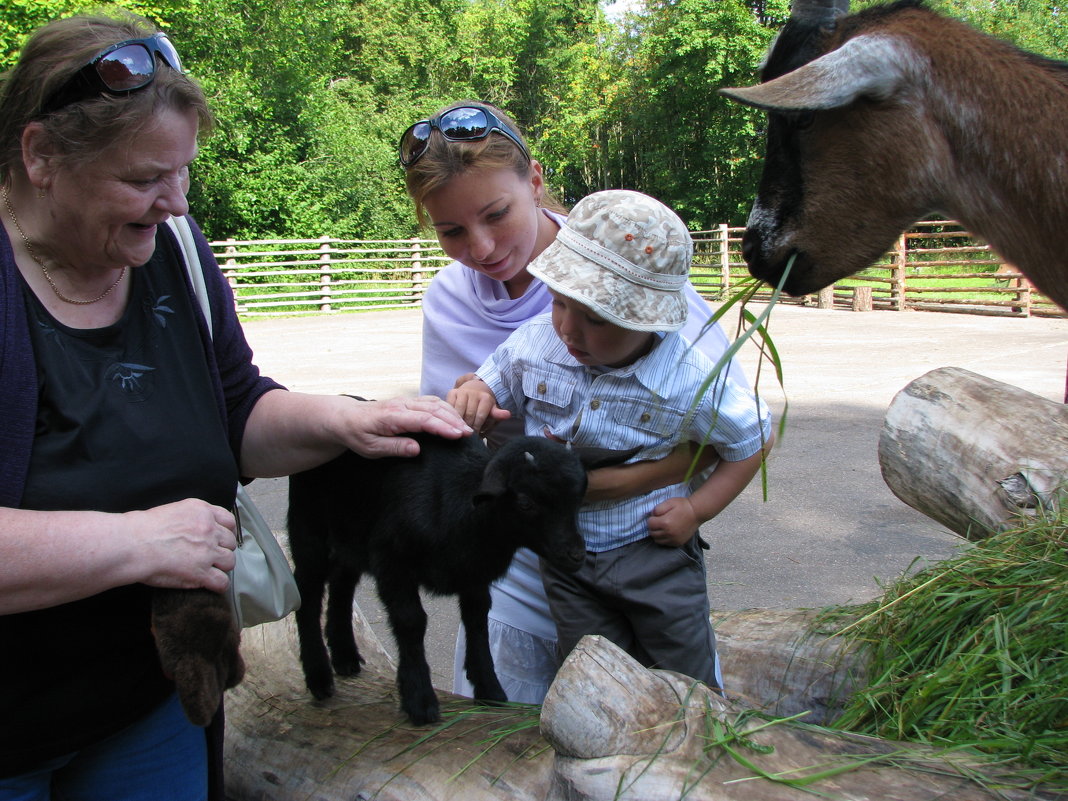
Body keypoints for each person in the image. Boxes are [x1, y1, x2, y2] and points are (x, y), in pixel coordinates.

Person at [0, 15, 470, 801]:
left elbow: (235, 409)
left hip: (153, 705)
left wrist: (347, 421)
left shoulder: (174, 249)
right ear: (41, 155)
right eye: (147, 177)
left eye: (183, 172)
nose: (176, 202)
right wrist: (137, 543)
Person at [399, 101, 750, 702]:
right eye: (452, 230)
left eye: (496, 214)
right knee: (529, 724)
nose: (481, 247)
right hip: (513, 561)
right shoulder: (451, 303)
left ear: (534, 181)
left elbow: (726, 436)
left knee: (662, 706)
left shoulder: (633, 271)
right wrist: (465, 406)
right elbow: (455, 445)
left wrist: (613, 487)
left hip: (638, 542)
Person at [449, 189, 773, 689]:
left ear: (647, 320)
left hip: (653, 551)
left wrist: (697, 510)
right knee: (594, 674)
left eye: (596, 319)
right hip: (565, 558)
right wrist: (474, 392)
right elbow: (490, 380)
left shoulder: (688, 377)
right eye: (558, 303)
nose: (569, 330)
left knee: (685, 671)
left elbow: (751, 439)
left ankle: (696, 743)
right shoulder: (538, 342)